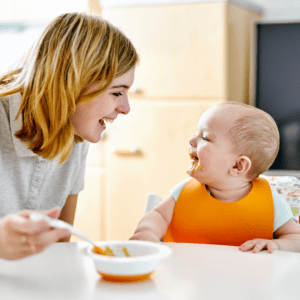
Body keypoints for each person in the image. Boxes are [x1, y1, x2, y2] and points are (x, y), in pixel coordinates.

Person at [0, 12, 139, 260]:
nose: (126, 108)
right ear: (73, 82)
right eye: (117, 93)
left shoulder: (75, 134)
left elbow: (61, 245)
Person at [130, 102, 300, 253]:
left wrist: (277, 245)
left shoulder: (270, 201)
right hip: (187, 280)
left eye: (204, 137)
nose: (191, 140)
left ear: (238, 166)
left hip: (246, 283)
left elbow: (295, 238)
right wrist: (146, 232)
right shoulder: (183, 193)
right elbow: (158, 216)